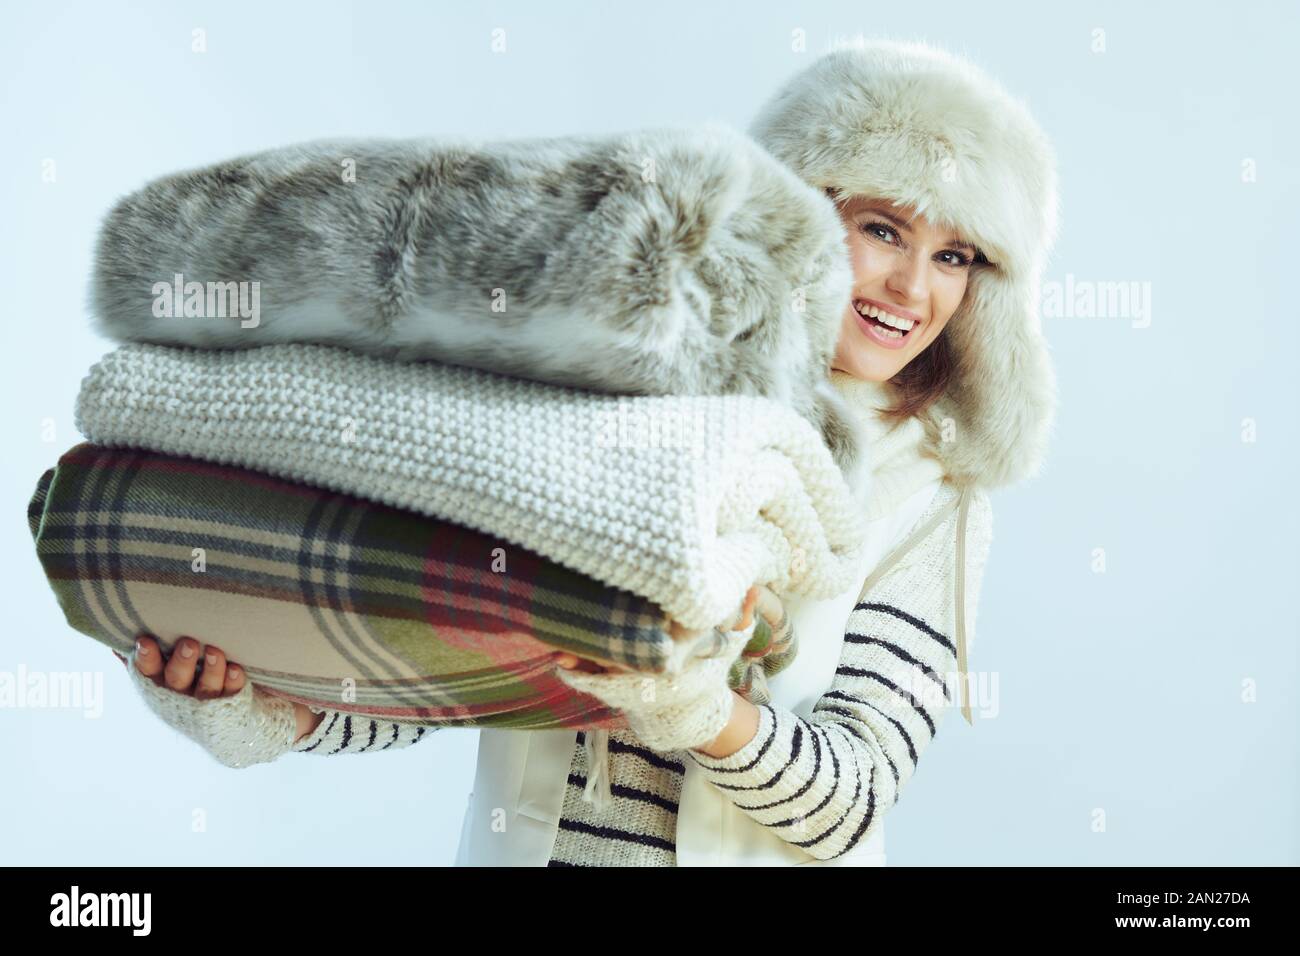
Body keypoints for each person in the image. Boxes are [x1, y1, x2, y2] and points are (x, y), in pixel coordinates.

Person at [122, 36, 1059, 867]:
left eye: (955, 256)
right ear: (794, 215)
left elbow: (851, 801)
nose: (912, 285)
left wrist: (696, 707)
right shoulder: (628, 395)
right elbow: (452, 671)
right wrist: (264, 703)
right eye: (883, 229)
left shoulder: (932, 492)